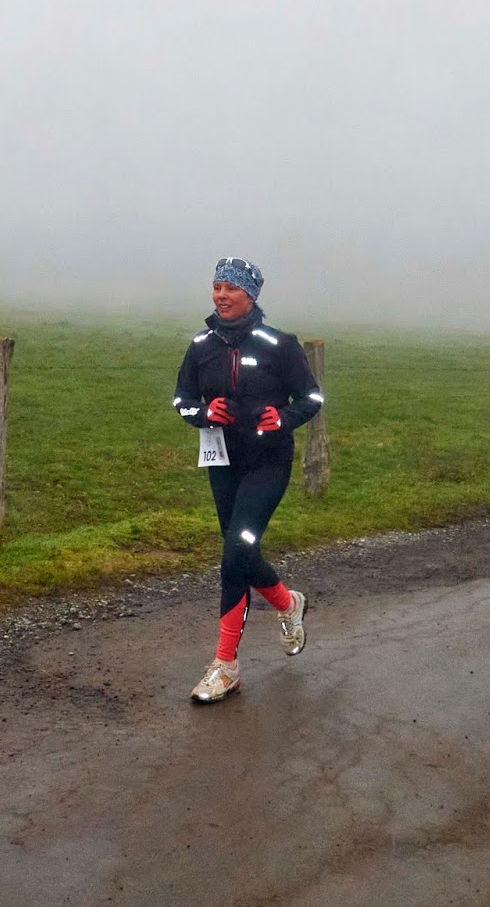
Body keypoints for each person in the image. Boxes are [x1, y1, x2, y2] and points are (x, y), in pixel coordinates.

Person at [172, 257, 324, 703]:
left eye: (230, 289)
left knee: (235, 552)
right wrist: (202, 413)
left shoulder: (280, 345)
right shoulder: (201, 346)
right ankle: (286, 604)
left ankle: (225, 666)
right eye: (216, 287)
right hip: (222, 462)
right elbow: (181, 398)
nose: (221, 296)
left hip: (267, 463)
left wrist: (286, 417)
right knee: (239, 553)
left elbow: (311, 396)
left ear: (251, 295)